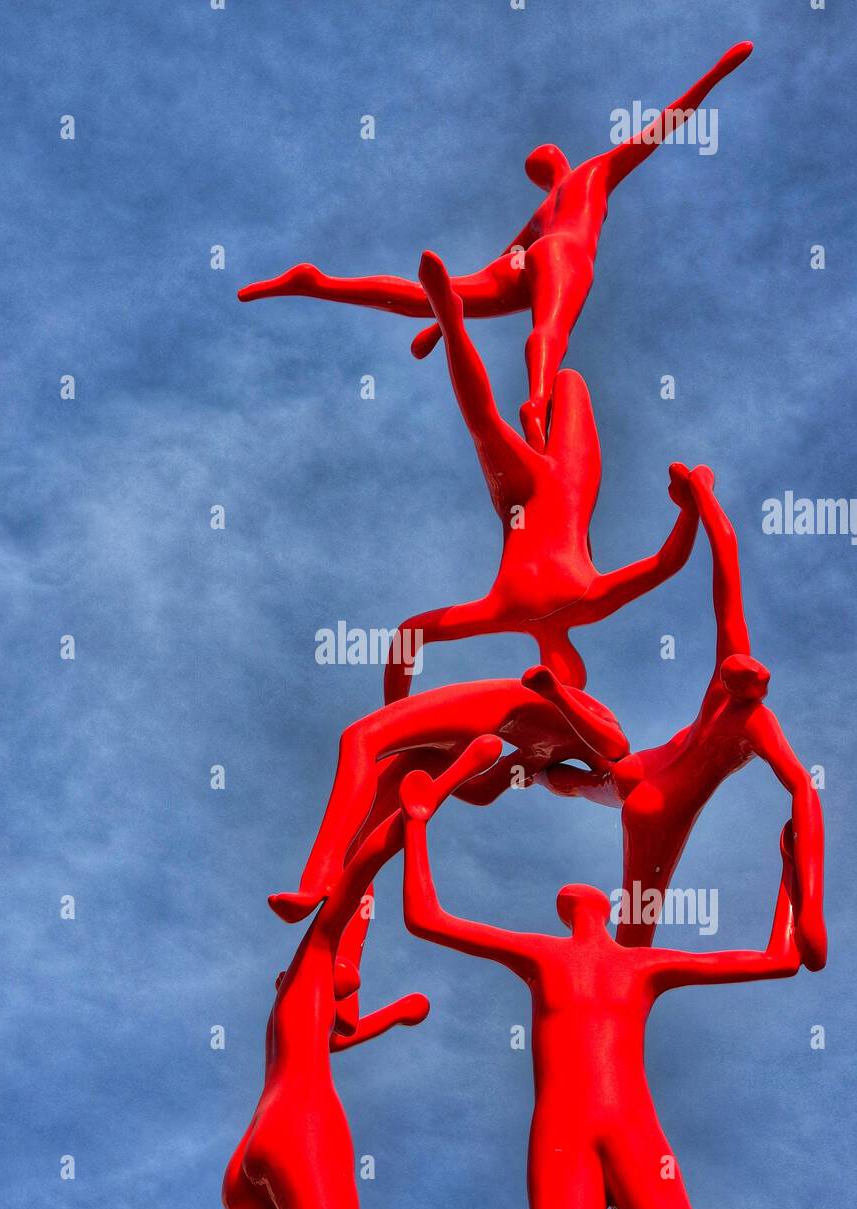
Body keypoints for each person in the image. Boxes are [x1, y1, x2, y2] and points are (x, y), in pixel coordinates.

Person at [400, 747, 803, 1209]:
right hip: (607, 1139)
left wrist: (418, 824)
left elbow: (425, 916)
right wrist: (791, 872)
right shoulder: (611, 961)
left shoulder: (579, 958)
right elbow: (778, 958)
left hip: (575, 1139)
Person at [238, 41, 752, 443]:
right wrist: (715, 75)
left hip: (527, 259)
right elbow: (660, 126)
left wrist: (441, 323)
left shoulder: (538, 214)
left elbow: (494, 269)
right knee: (550, 326)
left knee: (429, 297)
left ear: (541, 174)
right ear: (561, 161)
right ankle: (537, 399)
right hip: (564, 252)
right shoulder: (593, 174)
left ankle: (320, 283)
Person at [460, 469, 826, 968]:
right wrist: (700, 495)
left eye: (749, 676)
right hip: (640, 777)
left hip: (652, 796)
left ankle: (524, 769)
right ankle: (523, 769)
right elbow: (726, 566)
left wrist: (810, 910)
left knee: (633, 939)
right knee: (597, 784)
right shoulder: (729, 682)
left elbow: (804, 789)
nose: (746, 670)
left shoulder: (753, 720)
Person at [222, 738, 501, 1209]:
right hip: (303, 1125)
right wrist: (430, 799)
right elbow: (362, 869)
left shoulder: (288, 1012)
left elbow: (338, 1037)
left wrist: (394, 1015)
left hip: (251, 1149)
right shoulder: (316, 952)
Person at [382, 251, 699, 700]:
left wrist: (691, 508)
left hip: (549, 488)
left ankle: (452, 323)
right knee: (494, 418)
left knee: (518, 405)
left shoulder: (583, 600)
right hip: (538, 491)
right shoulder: (563, 603)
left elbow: (667, 564)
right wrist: (691, 506)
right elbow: (407, 635)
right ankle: (454, 327)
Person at [270, 665, 628, 924]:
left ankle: (328, 901)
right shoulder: (595, 736)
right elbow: (614, 745)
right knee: (363, 755)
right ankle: (331, 905)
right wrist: (555, 694)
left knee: (360, 740)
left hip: (481, 720)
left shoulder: (542, 759)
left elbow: (483, 792)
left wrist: (462, 771)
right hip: (488, 715)